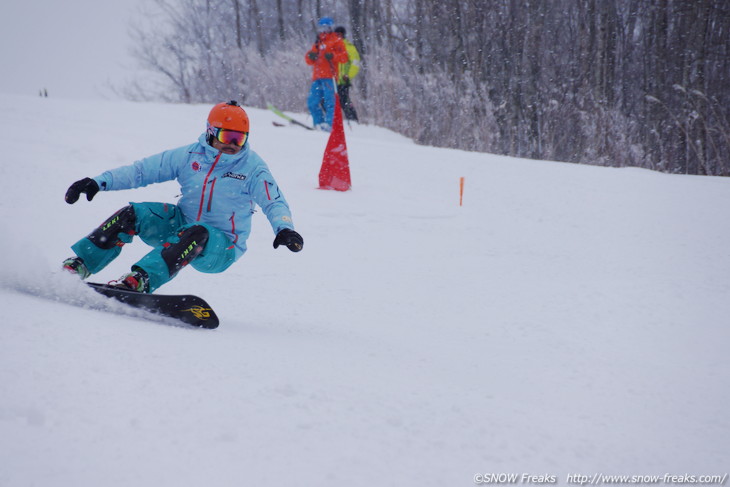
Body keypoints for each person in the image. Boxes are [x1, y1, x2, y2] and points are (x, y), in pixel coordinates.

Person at [62, 100, 303, 293]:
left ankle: (141, 280)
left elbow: (274, 200)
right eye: (227, 137)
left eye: (239, 139)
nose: (233, 145)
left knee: (197, 231)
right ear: (210, 132)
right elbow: (142, 171)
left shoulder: (252, 167)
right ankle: (79, 264)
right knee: (134, 214)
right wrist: (98, 182)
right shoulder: (190, 155)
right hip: (181, 227)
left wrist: (284, 228)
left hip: (222, 246)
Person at [305, 17, 348, 132]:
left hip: (330, 77)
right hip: (317, 77)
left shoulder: (336, 40)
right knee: (312, 102)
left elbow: (344, 57)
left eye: (327, 27)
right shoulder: (318, 41)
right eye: (322, 27)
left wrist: (333, 55)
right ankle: (319, 123)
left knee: (330, 102)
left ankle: (330, 125)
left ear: (331, 27)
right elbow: (309, 59)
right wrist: (310, 57)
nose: (324, 30)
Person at [334, 26, 361, 122]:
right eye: (336, 34)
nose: (338, 36)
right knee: (328, 101)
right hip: (332, 80)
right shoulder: (333, 46)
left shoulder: (349, 47)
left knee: (344, 101)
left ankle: (353, 120)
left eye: (339, 34)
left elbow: (355, 63)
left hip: (343, 80)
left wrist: (348, 75)